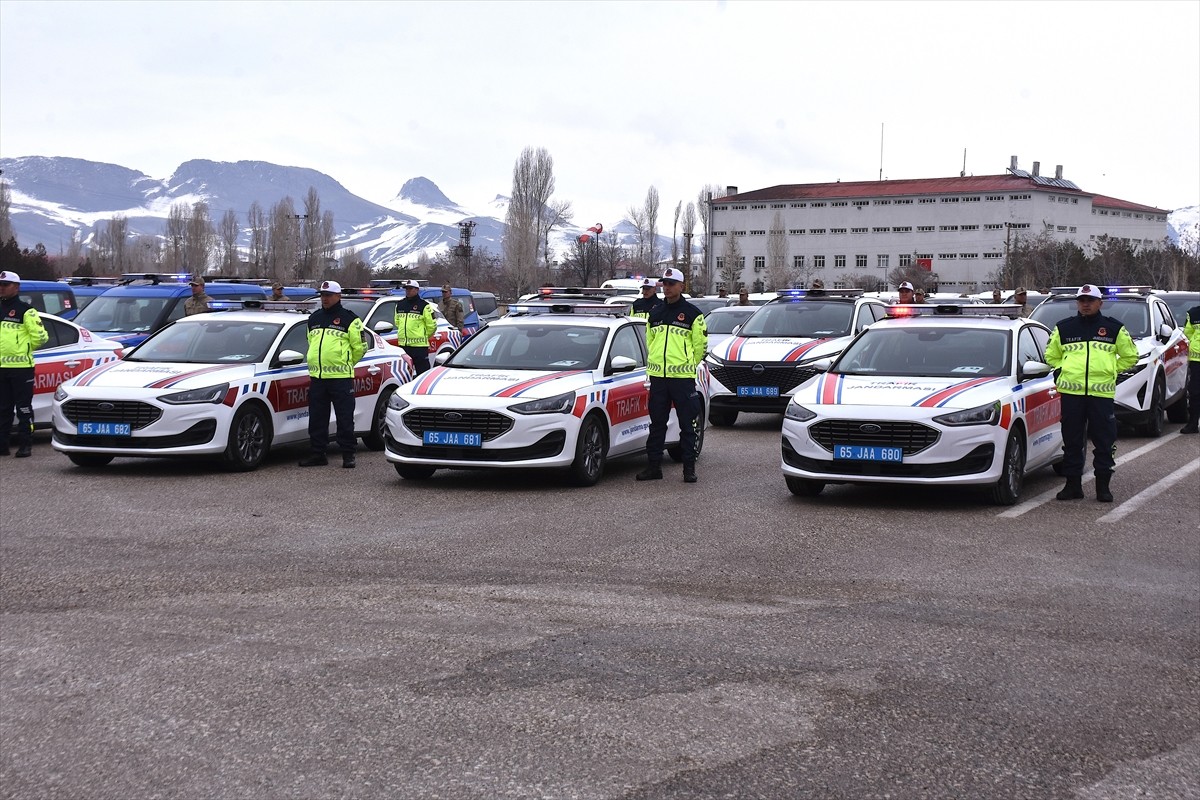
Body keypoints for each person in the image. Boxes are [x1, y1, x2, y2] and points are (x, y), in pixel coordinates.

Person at [1044, 284, 1138, 502]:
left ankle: (1103, 487)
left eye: (1090, 300)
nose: (1085, 304)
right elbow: (1051, 355)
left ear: (1099, 303)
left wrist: (1111, 369)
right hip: (1072, 395)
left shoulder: (1113, 328)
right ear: (1077, 303)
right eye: (1082, 301)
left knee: (1104, 442)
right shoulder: (1064, 328)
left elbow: (1130, 356)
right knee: (1072, 441)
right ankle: (1072, 486)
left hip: (1101, 396)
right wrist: (1061, 370)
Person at [637, 267, 707, 484]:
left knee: (687, 425)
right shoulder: (655, 312)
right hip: (658, 378)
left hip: (682, 380)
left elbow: (700, 347)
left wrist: (686, 365)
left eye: (671, 284)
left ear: (681, 286)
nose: (666, 288)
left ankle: (688, 469)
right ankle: (654, 467)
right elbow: (651, 342)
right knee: (657, 424)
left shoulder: (693, 314)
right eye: (664, 284)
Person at [299, 280, 366, 469]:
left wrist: (346, 363)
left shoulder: (350, 319)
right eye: (322, 295)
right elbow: (310, 342)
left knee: (345, 418)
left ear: (338, 296)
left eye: (328, 295)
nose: (324, 298)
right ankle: (318, 454)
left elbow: (360, 348)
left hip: (341, 378)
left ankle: (348, 454)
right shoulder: (314, 318)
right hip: (318, 378)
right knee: (317, 418)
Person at [0, 271, 49, 458]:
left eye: (6, 284)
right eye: (0, 284)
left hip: (21, 368)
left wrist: (23, 349)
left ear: (16, 287)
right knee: (3, 409)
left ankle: (25, 445)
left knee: (23, 409)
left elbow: (41, 336)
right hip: (1, 369)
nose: (2, 288)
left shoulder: (26, 310)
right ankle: (2, 445)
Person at [394, 280, 436, 375]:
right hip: (403, 346)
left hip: (419, 347)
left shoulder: (424, 306)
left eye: (410, 289)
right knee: (405, 375)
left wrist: (423, 336)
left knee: (423, 374)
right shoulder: (400, 305)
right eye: (406, 289)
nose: (408, 291)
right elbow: (397, 322)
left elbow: (432, 326)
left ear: (417, 290)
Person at [1180, 300, 1200, 434]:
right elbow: (1187, 333)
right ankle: (1193, 423)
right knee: (1194, 392)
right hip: (1197, 360)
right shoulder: (1193, 313)